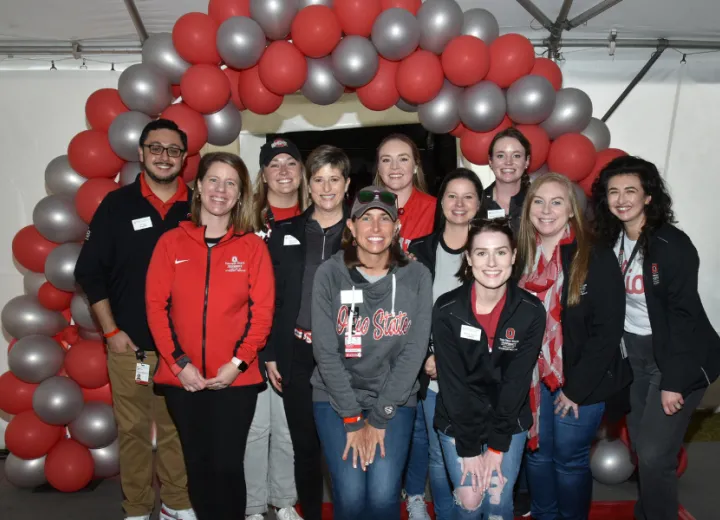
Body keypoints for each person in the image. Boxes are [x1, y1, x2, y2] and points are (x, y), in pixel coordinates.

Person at [74, 119, 194, 520]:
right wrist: (111, 331)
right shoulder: (116, 205)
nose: (164, 156)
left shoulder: (199, 206)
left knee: (180, 430)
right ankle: (139, 508)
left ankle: (177, 503)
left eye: (173, 150)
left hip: (184, 351)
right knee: (134, 434)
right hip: (133, 350)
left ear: (184, 158)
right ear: (141, 153)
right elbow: (89, 272)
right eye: (155, 148)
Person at [145, 152, 275, 520]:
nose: (221, 190)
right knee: (198, 465)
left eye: (231, 183)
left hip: (235, 379)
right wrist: (179, 364)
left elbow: (262, 314)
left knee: (228, 466)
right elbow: (155, 307)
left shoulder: (252, 247)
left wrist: (237, 363)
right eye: (214, 180)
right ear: (199, 187)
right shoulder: (171, 242)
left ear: (240, 195)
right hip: (182, 379)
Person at [591, 156, 720, 520]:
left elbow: (683, 318)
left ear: (648, 196)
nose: (621, 199)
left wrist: (675, 382)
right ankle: (648, 512)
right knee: (642, 449)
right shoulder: (608, 242)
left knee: (655, 454)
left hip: (674, 357)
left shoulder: (672, 245)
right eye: (613, 191)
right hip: (634, 357)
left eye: (630, 190)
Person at [311, 186, 433, 520]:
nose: (375, 228)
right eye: (366, 219)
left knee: (382, 496)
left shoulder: (417, 276)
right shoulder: (330, 274)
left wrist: (380, 416)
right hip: (336, 396)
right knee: (350, 496)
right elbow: (325, 351)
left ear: (397, 228)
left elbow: (414, 351)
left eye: (384, 219)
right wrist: (351, 416)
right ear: (351, 226)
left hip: (393, 397)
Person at [517, 173, 631, 520]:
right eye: (539, 201)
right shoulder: (519, 254)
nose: (546, 210)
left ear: (571, 211)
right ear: (528, 208)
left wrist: (576, 390)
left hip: (581, 384)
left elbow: (607, 332)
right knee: (537, 456)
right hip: (531, 381)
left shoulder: (593, 255)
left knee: (569, 461)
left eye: (557, 202)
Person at [433, 218, 545, 519]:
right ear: (468, 259)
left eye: (500, 252)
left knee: (497, 503)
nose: (492, 262)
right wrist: (469, 450)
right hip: (459, 419)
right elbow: (453, 385)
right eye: (481, 253)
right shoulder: (447, 310)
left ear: (514, 256)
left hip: (507, 418)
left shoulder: (531, 311)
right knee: (470, 503)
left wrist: (496, 448)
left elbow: (517, 382)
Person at [263, 145, 352, 520]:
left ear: (347, 184)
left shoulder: (364, 231)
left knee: (346, 446)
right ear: (307, 184)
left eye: (334, 179)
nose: (326, 187)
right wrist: (269, 352)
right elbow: (270, 297)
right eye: (319, 179)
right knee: (305, 446)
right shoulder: (284, 231)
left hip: (350, 356)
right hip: (297, 353)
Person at [407, 168, 484, 520]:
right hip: (432, 374)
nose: (459, 204)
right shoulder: (421, 250)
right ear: (441, 203)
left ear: (479, 204)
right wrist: (427, 356)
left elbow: (494, 316)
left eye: (468, 196)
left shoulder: (489, 249)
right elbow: (411, 315)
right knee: (438, 454)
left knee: (472, 456)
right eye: (452, 195)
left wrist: (450, 358)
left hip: (477, 374)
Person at [374, 133, 436, 518]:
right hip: (377, 330)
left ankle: (414, 494)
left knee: (415, 423)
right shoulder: (366, 207)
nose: (395, 168)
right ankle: (385, 487)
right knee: (380, 414)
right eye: (386, 160)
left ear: (416, 165)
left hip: (421, 327)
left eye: (402, 159)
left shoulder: (436, 207)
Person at [247, 136, 309, 519]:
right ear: (264, 174)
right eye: (275, 164)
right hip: (250, 343)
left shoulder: (316, 218)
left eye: (291, 162)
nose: (283, 170)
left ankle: (284, 501)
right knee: (255, 429)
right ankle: (253, 506)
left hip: (296, 344)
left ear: (301, 171)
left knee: (288, 429)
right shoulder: (247, 219)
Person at [481, 128, 532, 234]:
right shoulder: (477, 203)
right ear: (490, 161)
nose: (508, 162)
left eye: (516, 156)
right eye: (500, 156)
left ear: (526, 161)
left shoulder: (538, 201)